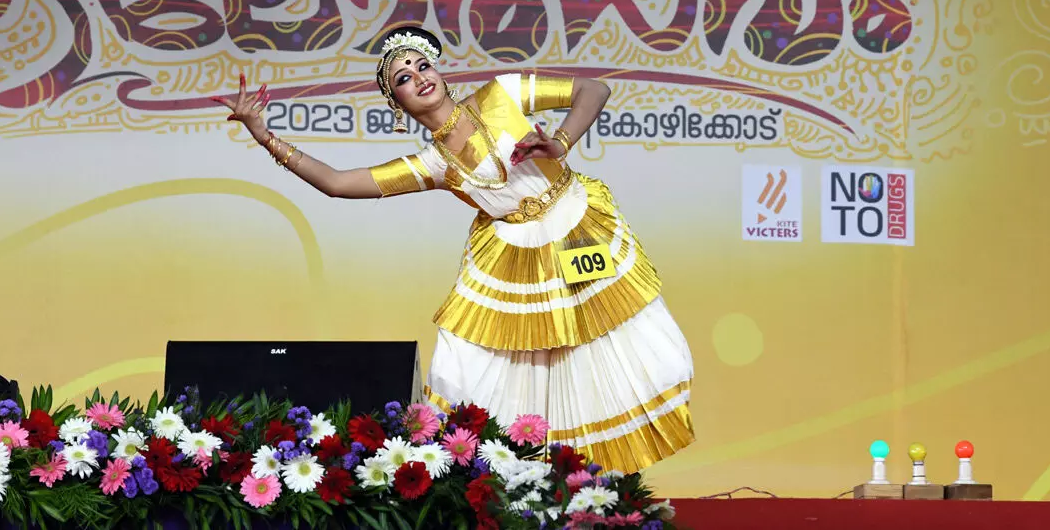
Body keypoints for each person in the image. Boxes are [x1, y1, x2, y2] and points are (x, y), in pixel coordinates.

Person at [214, 26, 695, 473]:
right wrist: (264, 136)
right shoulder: (432, 163)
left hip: (576, 224)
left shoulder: (501, 95)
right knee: (485, 364)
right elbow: (339, 184)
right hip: (516, 254)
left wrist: (561, 142)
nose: (419, 78)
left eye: (423, 65)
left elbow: (595, 91)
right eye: (404, 77)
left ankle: (596, 481)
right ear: (396, 102)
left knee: (614, 352)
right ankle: (535, 477)